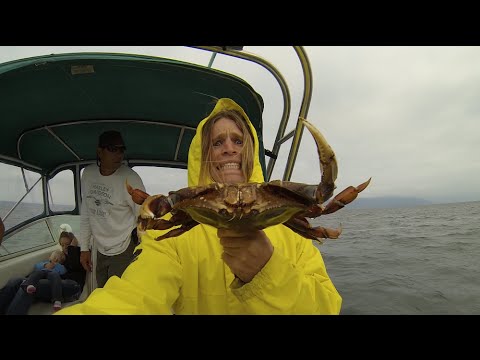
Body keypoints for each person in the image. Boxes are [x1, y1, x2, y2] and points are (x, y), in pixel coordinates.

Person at [57, 98, 342, 315]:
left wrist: (269, 270)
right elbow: (132, 297)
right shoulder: (174, 235)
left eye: (238, 140)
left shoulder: (292, 230)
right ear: (203, 156)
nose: (229, 148)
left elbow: (327, 306)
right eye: (218, 142)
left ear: (251, 153)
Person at [78, 130, 146, 288]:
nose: (119, 154)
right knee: (101, 289)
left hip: (124, 245)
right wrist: (84, 249)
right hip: (100, 247)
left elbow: (143, 217)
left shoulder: (131, 178)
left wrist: (144, 249)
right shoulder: (88, 174)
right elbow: (87, 212)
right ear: (99, 152)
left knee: (116, 294)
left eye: (121, 150)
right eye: (112, 149)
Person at [0, 229, 86, 315]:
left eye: (68, 244)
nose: (65, 247)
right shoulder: (61, 257)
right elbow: (41, 267)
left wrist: (73, 247)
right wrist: (47, 264)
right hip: (56, 285)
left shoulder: (79, 255)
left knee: (28, 285)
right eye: (62, 245)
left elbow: (74, 265)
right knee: (15, 280)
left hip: (73, 286)